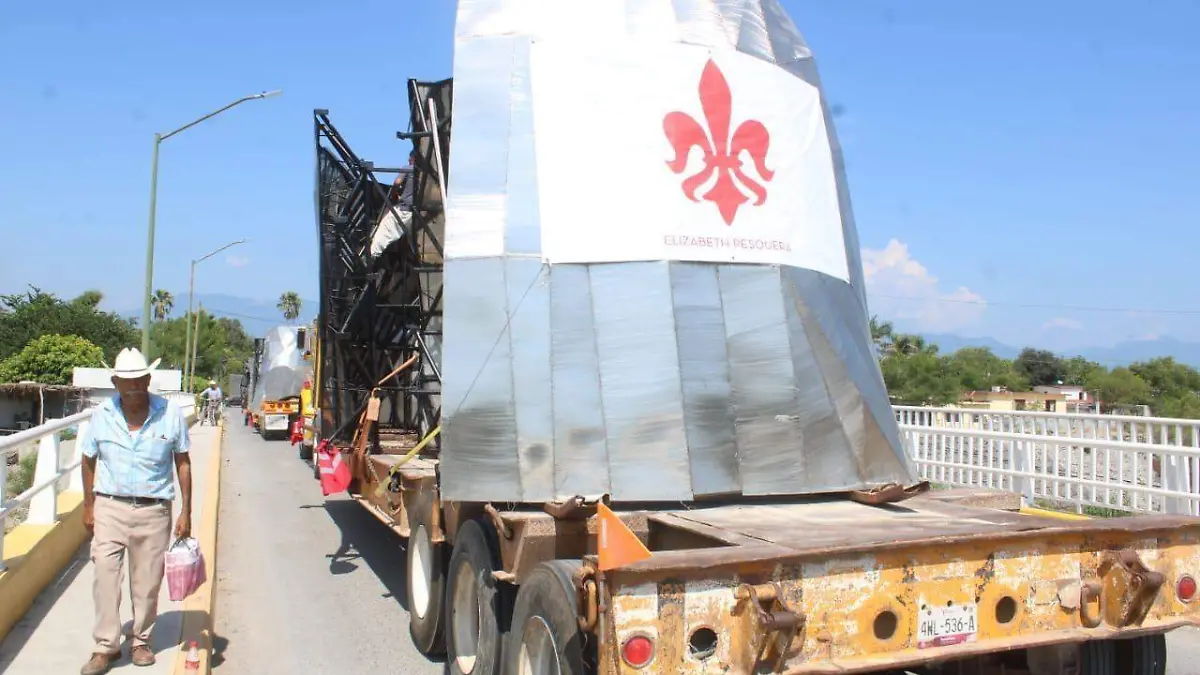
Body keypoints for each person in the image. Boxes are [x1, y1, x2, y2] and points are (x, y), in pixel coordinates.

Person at [78, 348, 192, 675]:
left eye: (138, 381)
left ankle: (140, 640)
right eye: (125, 382)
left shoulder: (169, 413)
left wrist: (186, 512)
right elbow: (88, 459)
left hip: (154, 510)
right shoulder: (102, 414)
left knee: (147, 583)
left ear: (148, 380)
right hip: (110, 507)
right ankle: (106, 647)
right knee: (104, 578)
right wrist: (89, 505)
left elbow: (182, 463)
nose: (132, 388)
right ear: (115, 382)